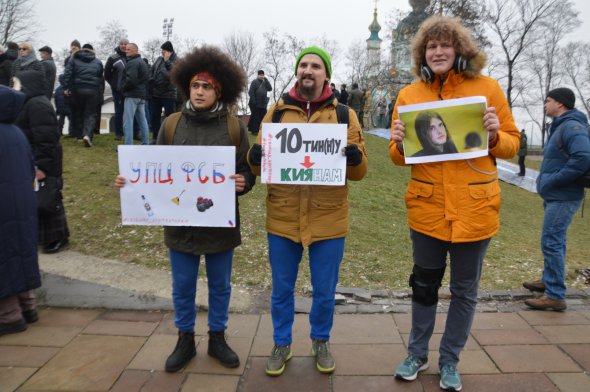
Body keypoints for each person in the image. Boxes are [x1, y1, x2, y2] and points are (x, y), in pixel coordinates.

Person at [389, 16, 519, 391]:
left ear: (459, 49)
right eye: (432, 47)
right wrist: (397, 142)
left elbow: (513, 143)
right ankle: (416, 353)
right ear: (423, 55)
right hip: (427, 210)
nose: (439, 51)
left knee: (465, 290)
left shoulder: (488, 88)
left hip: (475, 210)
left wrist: (495, 135)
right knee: (424, 287)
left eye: (445, 45)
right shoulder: (410, 95)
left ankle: (450, 360)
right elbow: (400, 157)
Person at [115, 45, 255, 373]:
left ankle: (218, 337)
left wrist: (243, 182)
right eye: (195, 85)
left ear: (218, 90)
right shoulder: (171, 124)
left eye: (207, 86)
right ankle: (185, 339)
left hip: (220, 224)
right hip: (180, 226)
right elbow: (152, 169)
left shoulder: (234, 128)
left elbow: (248, 171)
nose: (200, 91)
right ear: (186, 87)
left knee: (221, 286)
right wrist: (130, 182)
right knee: (183, 286)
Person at [247, 46, 367, 377]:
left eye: (315, 65)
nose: (308, 70)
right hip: (283, 217)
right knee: (282, 289)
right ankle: (281, 343)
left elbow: (359, 173)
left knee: (325, 292)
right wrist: (254, 158)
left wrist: (354, 159)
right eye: (303, 65)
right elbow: (258, 168)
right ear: (297, 71)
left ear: (326, 74)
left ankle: (320, 340)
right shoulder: (276, 112)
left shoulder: (344, 115)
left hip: (329, 219)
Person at [523, 87, 590, 311]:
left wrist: (554, 180)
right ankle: (549, 280)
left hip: (564, 195)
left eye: (548, 100)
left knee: (551, 241)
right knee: (555, 242)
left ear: (560, 104)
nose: (545, 105)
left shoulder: (572, 126)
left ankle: (555, 295)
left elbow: (582, 158)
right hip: (557, 195)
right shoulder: (562, 126)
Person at [0, 84, 41, 336]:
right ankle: (28, 307)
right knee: (21, 254)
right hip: (23, 203)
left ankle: (9, 317)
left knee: (3, 258)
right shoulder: (16, 132)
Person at [15, 70, 70, 255]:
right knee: (36, 198)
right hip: (31, 158)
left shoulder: (38, 105)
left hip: (45, 160)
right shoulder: (28, 103)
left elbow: (46, 139)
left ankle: (57, 236)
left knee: (48, 198)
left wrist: (42, 166)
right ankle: (42, 236)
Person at [63, 43, 104, 147]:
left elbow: (67, 74)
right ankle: (88, 136)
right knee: (90, 114)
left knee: (78, 112)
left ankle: (79, 136)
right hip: (92, 90)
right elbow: (100, 77)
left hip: (78, 89)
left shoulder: (73, 59)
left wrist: (66, 88)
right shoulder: (98, 61)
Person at [149, 41, 178, 143]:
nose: (162, 52)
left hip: (168, 94)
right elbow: (152, 71)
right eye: (162, 51)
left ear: (170, 51)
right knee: (154, 116)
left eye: (164, 51)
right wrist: (151, 79)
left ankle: (171, 138)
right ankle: (155, 138)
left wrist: (167, 61)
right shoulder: (159, 59)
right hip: (156, 93)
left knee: (170, 117)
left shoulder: (176, 60)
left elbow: (173, 75)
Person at [121, 43, 150, 145]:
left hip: (132, 96)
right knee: (143, 121)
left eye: (128, 49)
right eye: (126, 49)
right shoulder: (142, 62)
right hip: (141, 96)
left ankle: (128, 145)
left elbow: (131, 81)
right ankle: (146, 143)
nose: (126, 51)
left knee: (128, 122)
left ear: (135, 51)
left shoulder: (132, 63)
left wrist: (122, 89)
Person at [104, 38, 128, 141]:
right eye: (121, 44)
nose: (123, 46)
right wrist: (114, 85)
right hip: (118, 91)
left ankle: (132, 132)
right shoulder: (113, 58)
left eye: (125, 44)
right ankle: (119, 133)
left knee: (130, 112)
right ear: (119, 45)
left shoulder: (131, 57)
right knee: (119, 112)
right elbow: (107, 74)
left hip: (130, 90)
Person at [247, 70, 272, 135]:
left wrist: (266, 80)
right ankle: (254, 131)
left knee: (263, 117)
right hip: (255, 103)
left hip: (263, 104)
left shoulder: (265, 82)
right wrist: (254, 101)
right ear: (258, 75)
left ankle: (262, 130)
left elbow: (270, 89)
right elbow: (251, 92)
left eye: (263, 75)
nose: (262, 76)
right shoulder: (254, 82)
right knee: (256, 117)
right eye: (260, 75)